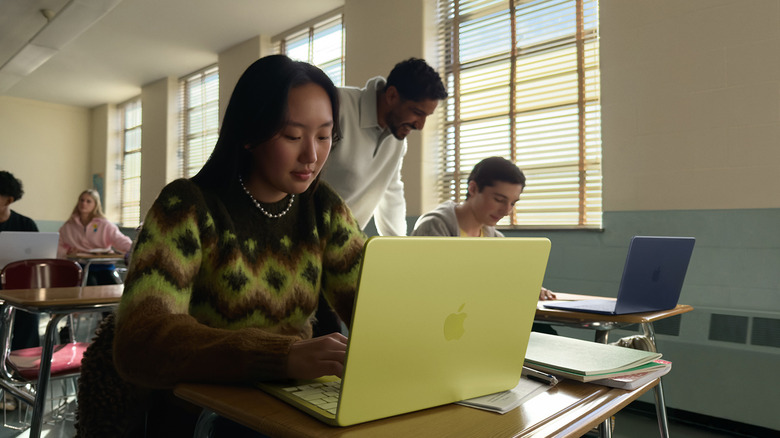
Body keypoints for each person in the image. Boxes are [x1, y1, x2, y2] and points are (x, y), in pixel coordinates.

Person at [75, 55, 366, 437]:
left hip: (291, 399)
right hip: (202, 411)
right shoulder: (187, 206)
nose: (311, 155)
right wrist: (280, 356)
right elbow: (142, 342)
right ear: (249, 134)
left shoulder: (322, 207)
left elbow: (370, 303)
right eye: (293, 136)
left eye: (325, 136)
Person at [320, 57, 448, 237]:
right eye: (417, 113)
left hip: (341, 245)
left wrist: (399, 247)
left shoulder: (396, 141)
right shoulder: (337, 105)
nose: (420, 125)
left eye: (426, 116)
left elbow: (391, 193)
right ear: (392, 96)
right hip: (298, 238)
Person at [411, 156, 556, 302]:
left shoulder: (496, 239)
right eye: (499, 200)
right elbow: (436, 289)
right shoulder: (433, 227)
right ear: (473, 189)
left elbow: (503, 281)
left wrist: (528, 288)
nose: (506, 211)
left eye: (512, 203)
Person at [57, 189, 132, 285]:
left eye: (88, 201)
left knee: (115, 286)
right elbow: (58, 245)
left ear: (95, 205)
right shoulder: (68, 225)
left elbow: (119, 239)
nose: (84, 203)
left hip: (103, 266)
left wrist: (133, 249)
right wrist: (67, 251)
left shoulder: (105, 225)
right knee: (90, 284)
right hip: (80, 266)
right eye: (82, 200)